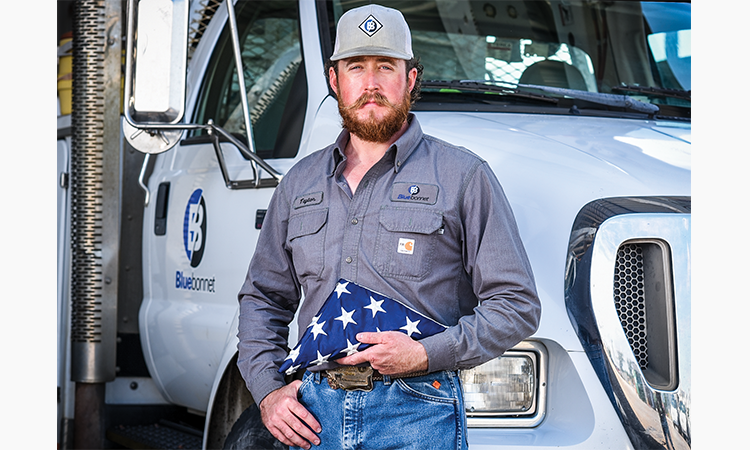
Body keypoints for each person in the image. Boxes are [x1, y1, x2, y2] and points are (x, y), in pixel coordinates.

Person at [237, 4, 541, 449]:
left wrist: (424, 353)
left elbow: (516, 304)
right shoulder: (298, 183)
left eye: (386, 67)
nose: (371, 83)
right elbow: (262, 297)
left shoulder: (463, 175)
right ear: (334, 80)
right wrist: (268, 391)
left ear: (410, 80)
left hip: (418, 409)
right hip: (312, 415)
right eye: (356, 67)